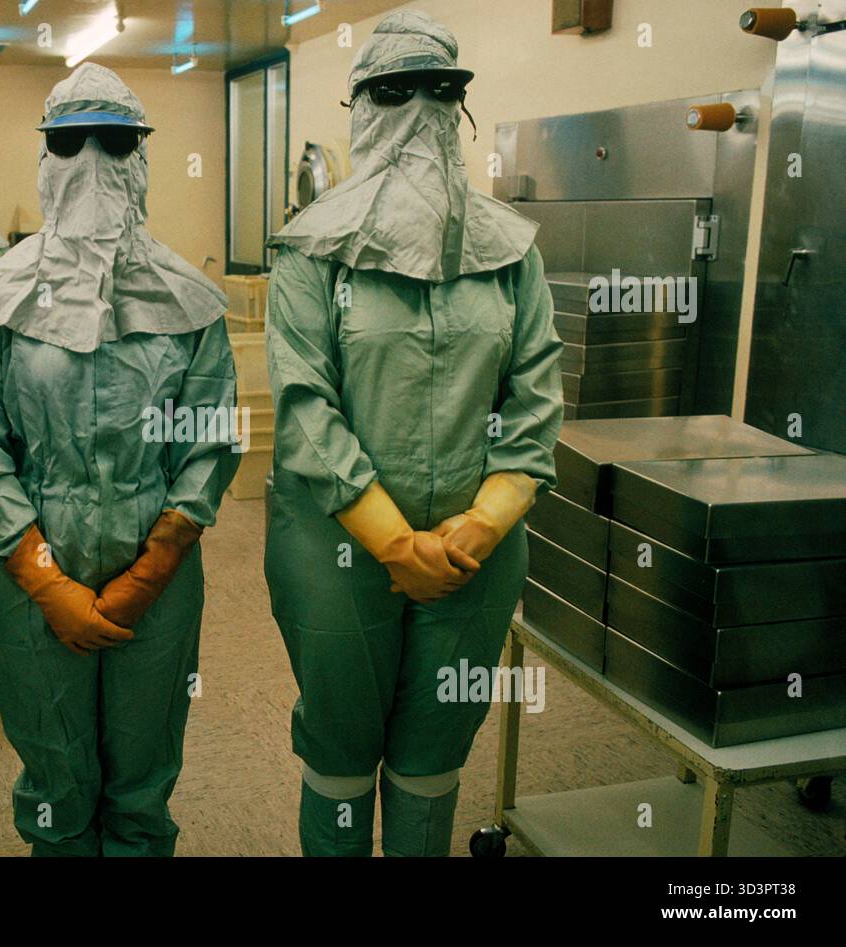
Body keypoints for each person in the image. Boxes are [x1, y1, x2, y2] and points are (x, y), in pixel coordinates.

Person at [263, 11, 564, 857]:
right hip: (337, 547)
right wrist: (395, 542)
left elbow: (536, 397)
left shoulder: (510, 252)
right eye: (398, 91)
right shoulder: (312, 250)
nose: (423, 107)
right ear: (361, 109)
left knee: (434, 755)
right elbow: (304, 406)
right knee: (341, 750)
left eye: (444, 91)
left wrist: (482, 522)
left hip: (476, 551)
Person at [0, 63, 240, 856]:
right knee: (55, 786)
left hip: (163, 571)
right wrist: (47, 583)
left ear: (140, 156)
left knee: (141, 788)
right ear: (45, 157)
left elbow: (209, 439)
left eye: (114, 142)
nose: (92, 162)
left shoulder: (187, 301)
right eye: (70, 142)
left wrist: (147, 576)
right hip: (31, 568)